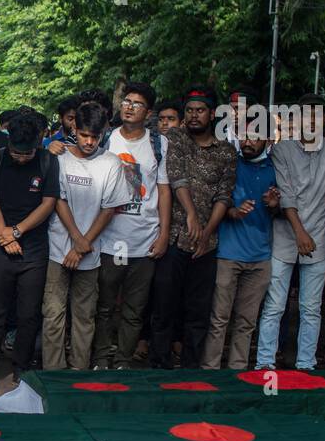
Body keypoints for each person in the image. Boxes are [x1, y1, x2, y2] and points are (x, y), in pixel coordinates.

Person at [253, 97, 325, 370]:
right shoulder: (282, 150)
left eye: (317, 117)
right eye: (306, 116)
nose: (311, 122)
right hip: (284, 237)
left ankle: (306, 364)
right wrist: (300, 233)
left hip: (318, 236)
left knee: (311, 308)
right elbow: (286, 194)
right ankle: (265, 364)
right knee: (275, 305)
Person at [149, 86, 236, 368]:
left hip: (206, 246)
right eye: (189, 111)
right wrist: (191, 216)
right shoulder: (177, 138)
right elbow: (177, 178)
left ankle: (189, 370)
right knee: (163, 307)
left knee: (198, 311)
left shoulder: (225, 151)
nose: (194, 116)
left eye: (200, 111)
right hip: (175, 237)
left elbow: (224, 195)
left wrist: (207, 231)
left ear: (212, 114)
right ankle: (160, 365)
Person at [43, 102, 133, 369]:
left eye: (95, 136)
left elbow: (109, 209)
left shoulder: (110, 163)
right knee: (52, 314)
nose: (90, 142)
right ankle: (53, 372)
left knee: (85, 316)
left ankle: (79, 371)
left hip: (90, 254)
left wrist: (83, 245)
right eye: (84, 135)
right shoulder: (58, 158)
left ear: (104, 132)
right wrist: (76, 239)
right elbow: (57, 200)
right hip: (57, 250)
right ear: (74, 128)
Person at [93, 81, 171, 369]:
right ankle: (101, 358)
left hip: (144, 239)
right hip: (109, 238)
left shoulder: (159, 144)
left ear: (148, 112)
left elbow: (164, 190)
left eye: (137, 103)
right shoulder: (106, 139)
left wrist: (163, 233)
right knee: (104, 305)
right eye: (126, 101)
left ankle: (123, 360)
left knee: (134, 309)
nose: (129, 107)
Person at [0, 111, 57, 388]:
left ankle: (21, 367)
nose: (21, 158)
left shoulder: (48, 161)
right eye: (16, 153)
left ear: (38, 144)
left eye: (26, 154)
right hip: (2, 245)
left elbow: (48, 204)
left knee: (28, 312)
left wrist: (18, 231)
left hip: (34, 249)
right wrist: (4, 234)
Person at [202, 121, 279, 369]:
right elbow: (213, 203)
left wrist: (274, 204)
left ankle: (238, 372)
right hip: (228, 254)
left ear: (268, 140)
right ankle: (210, 371)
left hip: (261, 257)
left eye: (255, 137)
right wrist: (232, 211)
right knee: (219, 320)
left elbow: (283, 209)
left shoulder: (275, 169)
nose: (248, 142)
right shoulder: (229, 164)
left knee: (246, 322)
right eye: (244, 136)